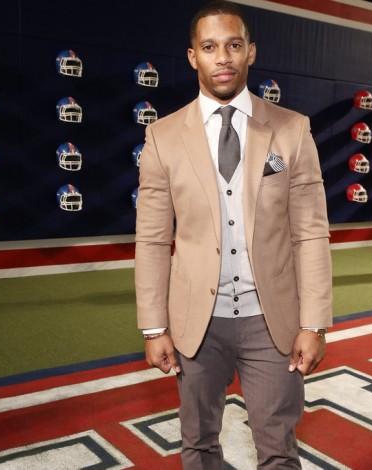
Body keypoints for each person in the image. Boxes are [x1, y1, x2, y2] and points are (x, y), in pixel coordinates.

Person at [135, 1, 332, 468]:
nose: (222, 58)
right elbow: (153, 240)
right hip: (196, 325)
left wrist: (314, 323)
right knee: (198, 445)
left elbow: (310, 233)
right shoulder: (163, 136)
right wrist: (154, 327)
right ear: (192, 57)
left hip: (273, 321)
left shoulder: (292, 129)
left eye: (233, 45)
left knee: (279, 450)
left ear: (250, 52)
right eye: (209, 47)